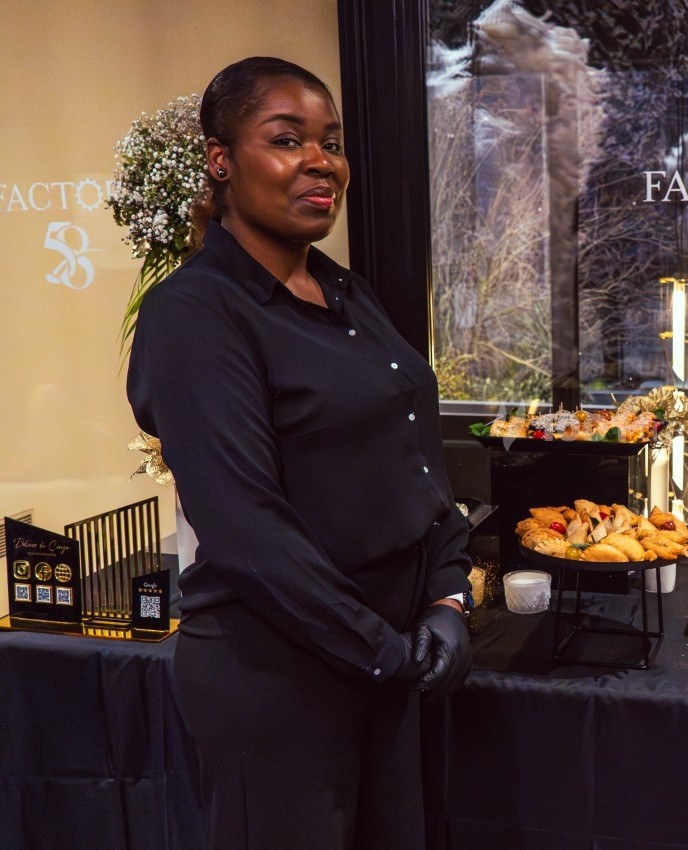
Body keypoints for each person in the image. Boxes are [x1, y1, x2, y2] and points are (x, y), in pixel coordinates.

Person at [127, 57, 473, 849]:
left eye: (332, 142)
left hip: (385, 659)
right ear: (221, 160)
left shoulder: (347, 293)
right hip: (277, 679)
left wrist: (448, 597)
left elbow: (416, 460)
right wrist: (386, 651)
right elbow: (248, 530)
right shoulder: (195, 314)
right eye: (288, 140)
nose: (322, 162)